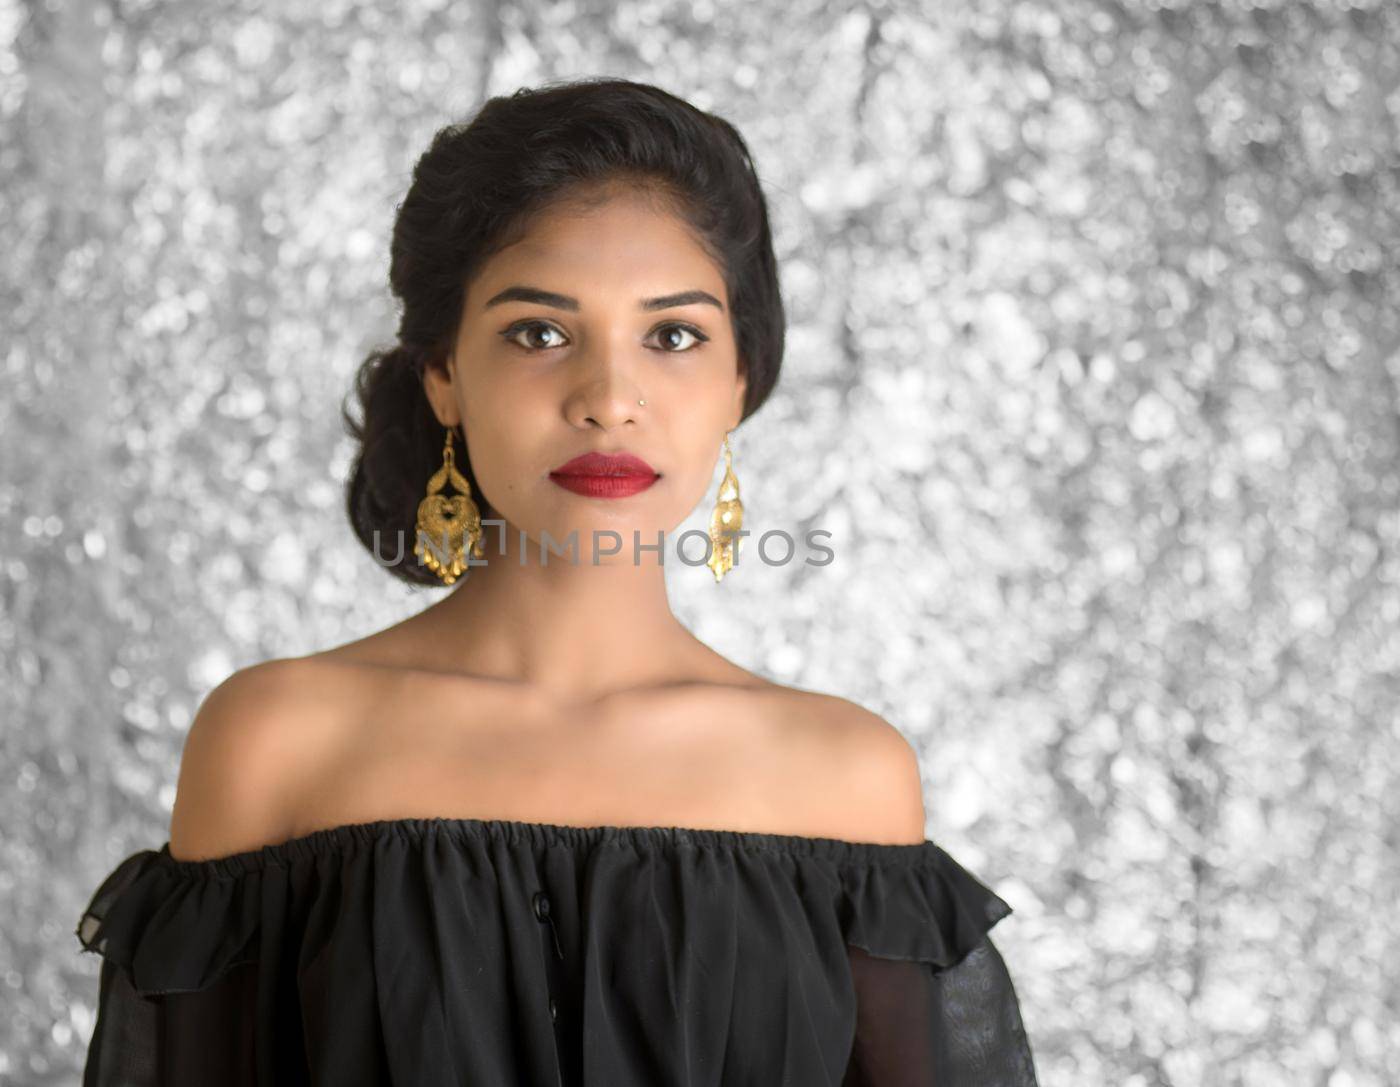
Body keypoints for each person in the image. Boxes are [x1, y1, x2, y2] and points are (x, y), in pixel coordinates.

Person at [74, 76, 1039, 1086]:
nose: (609, 399)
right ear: (442, 370)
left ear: (739, 380)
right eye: (539, 332)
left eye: (672, 335)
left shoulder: (846, 777)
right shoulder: (277, 738)